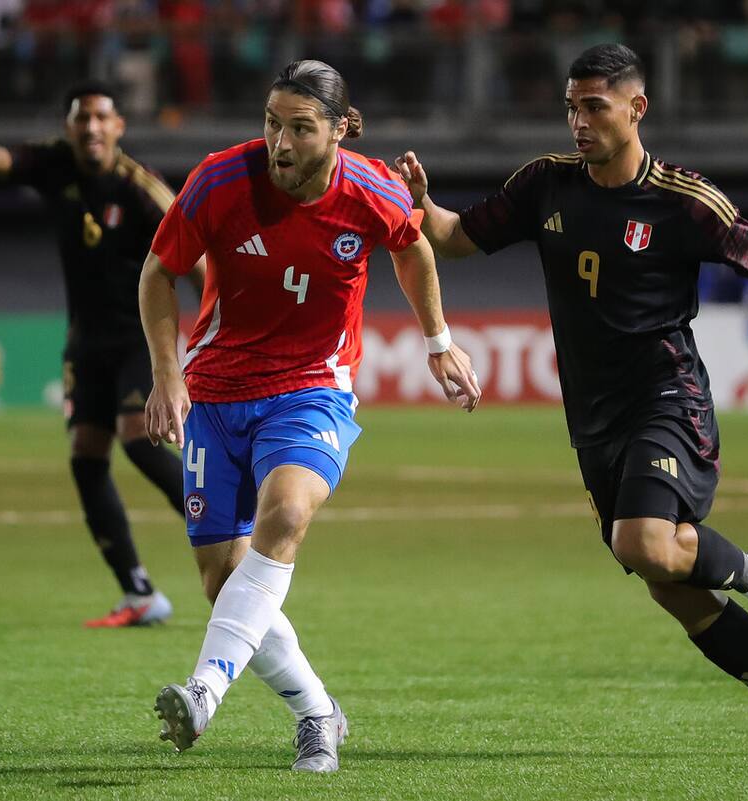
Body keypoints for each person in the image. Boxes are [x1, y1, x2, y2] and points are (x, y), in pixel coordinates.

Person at [396, 43, 748, 760]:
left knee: (640, 541)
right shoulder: (546, 184)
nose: (578, 122)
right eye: (571, 107)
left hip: (667, 399)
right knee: (668, 582)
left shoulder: (681, 200)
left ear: (637, 107)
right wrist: (419, 204)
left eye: (594, 107)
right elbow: (456, 238)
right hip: (594, 420)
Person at [139, 59, 481, 772]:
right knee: (222, 577)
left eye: (300, 128)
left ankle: (204, 690)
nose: (281, 143)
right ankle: (316, 711)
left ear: (340, 130)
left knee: (287, 513)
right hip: (217, 393)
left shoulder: (370, 189)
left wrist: (438, 340)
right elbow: (157, 272)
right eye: (272, 124)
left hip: (311, 389)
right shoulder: (220, 181)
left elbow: (413, 245)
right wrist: (168, 374)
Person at [0, 80, 200, 628]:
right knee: (85, 457)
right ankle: (139, 593)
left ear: (118, 126)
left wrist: (218, 327)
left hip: (140, 339)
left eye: (100, 118)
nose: (90, 127)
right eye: (80, 118)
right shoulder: (54, 165)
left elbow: (197, 256)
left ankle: (228, 539)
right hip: (85, 342)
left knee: (139, 444)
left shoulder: (141, 188)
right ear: (68, 127)